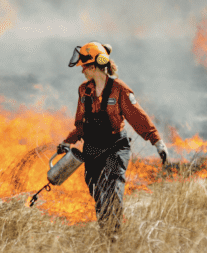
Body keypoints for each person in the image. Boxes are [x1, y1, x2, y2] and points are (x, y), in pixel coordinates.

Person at [57, 42, 168, 237]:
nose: (81, 70)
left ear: (93, 66)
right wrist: (68, 142)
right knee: (98, 193)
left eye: (84, 66)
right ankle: (106, 235)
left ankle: (114, 237)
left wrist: (157, 142)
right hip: (91, 150)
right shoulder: (84, 91)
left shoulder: (119, 90)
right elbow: (81, 125)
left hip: (115, 147)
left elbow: (138, 117)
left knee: (112, 187)